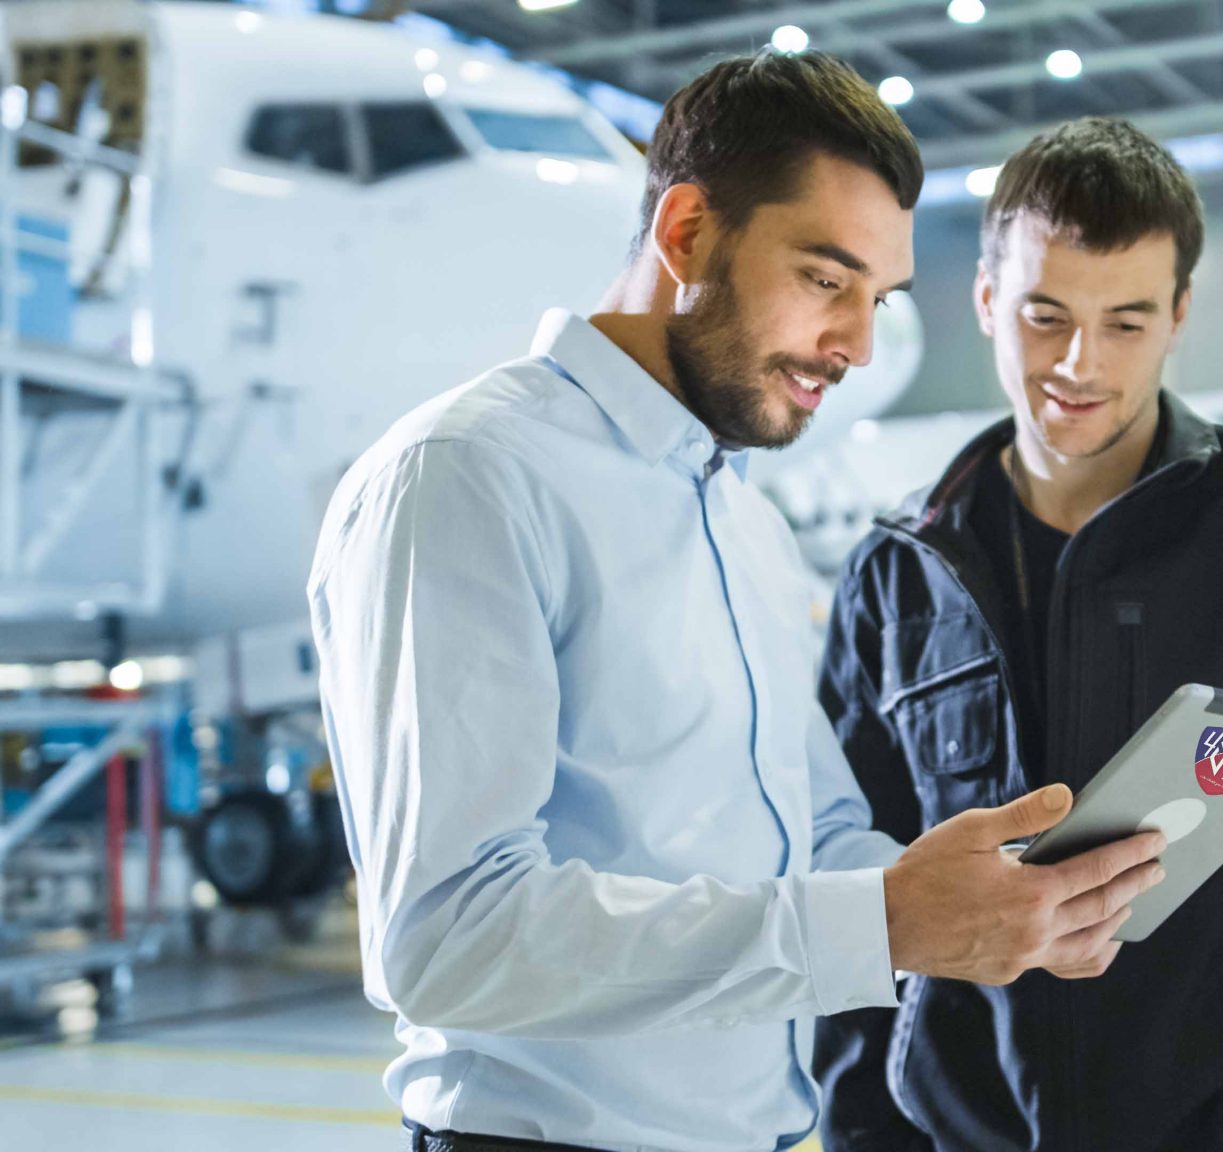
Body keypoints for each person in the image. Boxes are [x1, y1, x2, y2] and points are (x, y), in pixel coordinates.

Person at [309, 56, 1164, 1152]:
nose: (855, 343)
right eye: (824, 279)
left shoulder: (739, 517)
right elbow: (449, 938)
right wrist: (879, 920)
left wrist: (998, 907)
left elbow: (808, 839)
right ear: (685, 236)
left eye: (876, 298)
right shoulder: (469, 475)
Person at [813, 117, 1223, 1152]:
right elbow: (847, 886)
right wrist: (867, 1137)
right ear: (986, 300)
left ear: (1177, 316)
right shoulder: (899, 573)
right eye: (1044, 316)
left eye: (1124, 323)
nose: (1078, 364)